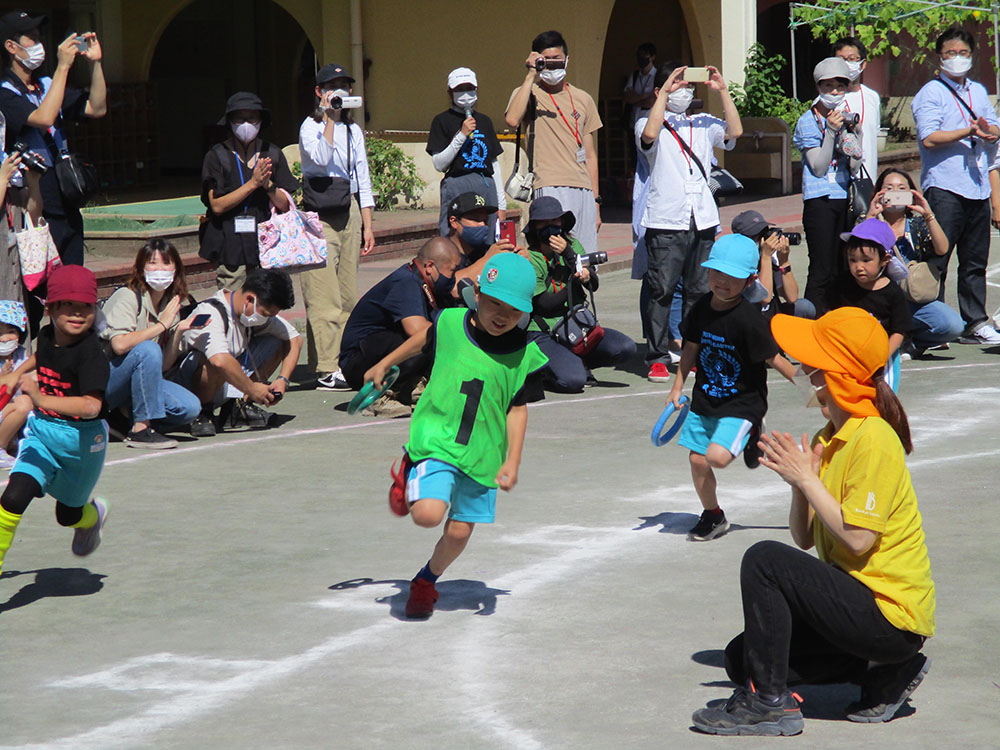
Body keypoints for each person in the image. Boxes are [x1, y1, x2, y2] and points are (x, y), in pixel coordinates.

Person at [692, 307, 934, 736]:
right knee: (742, 658)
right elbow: (804, 539)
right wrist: (798, 484)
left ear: (835, 374)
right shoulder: (829, 437)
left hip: (888, 616)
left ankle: (769, 705)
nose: (804, 369)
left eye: (813, 363)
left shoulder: (873, 438)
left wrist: (807, 477)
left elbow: (858, 540)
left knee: (764, 559)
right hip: (855, 610)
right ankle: (881, 673)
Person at [363, 253, 547, 619]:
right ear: (477, 293)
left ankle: (426, 581)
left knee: (460, 532)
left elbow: (517, 408)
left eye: (512, 309)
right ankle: (410, 470)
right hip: (439, 439)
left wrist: (512, 460)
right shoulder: (448, 322)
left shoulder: (525, 355)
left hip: (482, 455)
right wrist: (386, 363)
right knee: (429, 515)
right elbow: (422, 339)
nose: (501, 314)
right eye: (494, 302)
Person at [666, 234, 796, 542]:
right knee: (697, 460)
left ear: (750, 279)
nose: (722, 282)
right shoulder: (700, 309)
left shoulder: (748, 320)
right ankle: (713, 515)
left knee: (718, 458)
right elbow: (690, 350)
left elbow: (774, 358)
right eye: (716, 273)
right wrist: (677, 386)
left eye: (732, 276)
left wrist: (807, 384)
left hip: (743, 403)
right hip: (705, 400)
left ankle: (753, 431)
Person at [0, 265, 111, 575]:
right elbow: (42, 356)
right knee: (12, 497)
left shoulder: (92, 354)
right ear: (50, 309)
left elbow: (91, 406)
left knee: (68, 515)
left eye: (85, 307)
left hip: (83, 442)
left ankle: (93, 515)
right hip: (43, 433)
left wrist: (40, 398)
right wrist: (15, 375)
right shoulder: (48, 336)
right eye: (68, 305)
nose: (77, 314)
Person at [638, 60, 742, 382]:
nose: (684, 90)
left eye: (687, 85)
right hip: (666, 219)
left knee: (699, 290)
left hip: (703, 218)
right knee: (661, 289)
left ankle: (691, 353)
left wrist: (723, 91)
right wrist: (664, 93)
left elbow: (734, 132)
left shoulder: (703, 122)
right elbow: (650, 136)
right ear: (662, 90)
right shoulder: (647, 120)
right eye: (677, 84)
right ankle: (656, 355)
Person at [912, 26, 1000, 344]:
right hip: (945, 186)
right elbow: (929, 137)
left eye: (963, 53)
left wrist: (990, 131)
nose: (957, 58)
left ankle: (975, 320)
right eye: (951, 53)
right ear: (940, 57)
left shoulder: (977, 90)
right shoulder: (931, 93)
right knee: (938, 258)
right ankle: (933, 321)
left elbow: (992, 123)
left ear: (972, 56)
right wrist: (967, 132)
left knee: (975, 260)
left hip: (976, 185)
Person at [0, 11, 106, 269]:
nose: (39, 44)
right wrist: (63, 66)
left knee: (71, 282)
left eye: (39, 37)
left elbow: (97, 108)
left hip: (66, 200)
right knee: (40, 289)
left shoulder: (47, 84)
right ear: (11, 47)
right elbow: (44, 117)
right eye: (31, 38)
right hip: (32, 204)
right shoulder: (4, 91)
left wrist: (95, 64)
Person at [298, 63, 376, 392]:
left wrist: (368, 225)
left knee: (346, 296)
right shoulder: (309, 127)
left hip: (349, 211)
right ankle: (327, 368)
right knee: (322, 295)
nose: (340, 90)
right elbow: (318, 157)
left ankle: (340, 360)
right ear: (319, 92)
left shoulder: (354, 131)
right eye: (333, 85)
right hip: (319, 214)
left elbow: (363, 177)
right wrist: (329, 119)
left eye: (345, 84)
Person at [169, 269, 302, 438]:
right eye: (266, 314)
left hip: (223, 381)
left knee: (277, 341)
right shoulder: (210, 313)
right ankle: (202, 413)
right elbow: (220, 361)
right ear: (250, 299)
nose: (267, 319)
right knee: (213, 360)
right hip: (185, 386)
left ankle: (237, 406)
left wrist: (283, 380)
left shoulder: (251, 311)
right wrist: (253, 389)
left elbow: (295, 339)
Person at [338, 238, 461, 418]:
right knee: (429, 333)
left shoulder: (426, 284)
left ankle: (410, 386)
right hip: (359, 363)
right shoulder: (406, 281)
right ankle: (379, 395)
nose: (454, 277)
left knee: (439, 327)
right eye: (452, 270)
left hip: (379, 353)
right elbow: (420, 332)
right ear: (430, 267)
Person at [505, 30, 603, 254]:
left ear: (567, 59)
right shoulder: (528, 93)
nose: (552, 67)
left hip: (583, 189)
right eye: (545, 62)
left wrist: (596, 203)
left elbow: (590, 155)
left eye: (557, 60)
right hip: (548, 184)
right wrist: (530, 75)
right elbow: (512, 119)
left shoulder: (583, 99)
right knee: (554, 254)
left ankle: (582, 289)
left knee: (585, 258)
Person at [99, 239, 203, 449]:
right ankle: (141, 430)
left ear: (176, 269)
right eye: (153, 263)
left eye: (166, 263)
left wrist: (178, 331)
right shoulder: (128, 296)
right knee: (147, 348)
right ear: (141, 267)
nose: (160, 270)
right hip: (106, 380)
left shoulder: (171, 302)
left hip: (137, 383)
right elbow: (119, 345)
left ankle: (120, 419)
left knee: (190, 407)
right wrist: (161, 325)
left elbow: (162, 365)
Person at [525, 196, 636, 392]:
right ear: (534, 227)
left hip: (575, 326)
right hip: (545, 331)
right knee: (573, 381)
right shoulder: (532, 258)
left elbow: (593, 284)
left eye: (554, 221)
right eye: (543, 222)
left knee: (626, 348)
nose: (550, 227)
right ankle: (542, 370)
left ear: (562, 223)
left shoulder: (573, 246)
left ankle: (576, 358)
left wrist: (570, 256)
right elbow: (544, 304)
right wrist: (573, 283)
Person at [199, 91, 297, 292]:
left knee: (264, 306)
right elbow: (216, 206)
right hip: (231, 247)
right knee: (233, 306)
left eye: (252, 118)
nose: (246, 124)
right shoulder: (217, 156)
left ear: (261, 121)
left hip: (266, 246)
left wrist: (268, 185)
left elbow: (286, 205)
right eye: (239, 118)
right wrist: (253, 183)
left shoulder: (273, 154)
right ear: (230, 122)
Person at [866, 168, 964, 356]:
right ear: (879, 193)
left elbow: (942, 249)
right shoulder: (869, 220)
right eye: (889, 188)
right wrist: (871, 216)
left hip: (912, 298)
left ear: (910, 194)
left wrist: (927, 214)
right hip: (878, 298)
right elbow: (857, 249)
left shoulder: (918, 224)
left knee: (953, 325)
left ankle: (913, 342)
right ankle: (890, 338)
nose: (895, 193)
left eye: (901, 188)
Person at [795, 57, 863, 313]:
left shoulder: (845, 118)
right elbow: (819, 167)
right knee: (822, 269)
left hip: (844, 200)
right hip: (819, 201)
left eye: (840, 86)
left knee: (842, 267)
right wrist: (832, 132)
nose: (834, 92)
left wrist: (856, 134)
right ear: (818, 88)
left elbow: (855, 167)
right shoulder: (807, 121)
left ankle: (836, 321)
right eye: (828, 86)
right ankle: (811, 323)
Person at [827, 219, 911, 393]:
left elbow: (898, 331)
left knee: (882, 402)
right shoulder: (841, 285)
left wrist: (882, 358)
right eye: (853, 260)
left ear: (885, 259)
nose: (859, 267)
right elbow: (830, 317)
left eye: (866, 260)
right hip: (847, 355)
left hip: (882, 359)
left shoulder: (893, 293)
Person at [427, 67, 506, 238]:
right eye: (459, 89)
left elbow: (493, 163)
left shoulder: (484, 121)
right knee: (455, 234)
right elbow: (439, 164)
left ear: (476, 90)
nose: (465, 93)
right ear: (450, 93)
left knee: (487, 235)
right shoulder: (441, 121)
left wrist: (502, 204)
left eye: (468, 88)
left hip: (485, 183)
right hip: (457, 183)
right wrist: (461, 135)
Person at [731, 210, 814, 320]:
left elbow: (792, 297)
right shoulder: (737, 260)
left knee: (804, 307)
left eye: (765, 232)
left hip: (770, 312)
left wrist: (784, 262)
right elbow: (764, 298)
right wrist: (765, 257)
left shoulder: (769, 254)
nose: (765, 238)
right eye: (758, 235)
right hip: (749, 316)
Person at [443, 191, 517, 294]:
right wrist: (488, 259)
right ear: (454, 222)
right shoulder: (440, 251)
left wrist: (517, 261)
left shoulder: (484, 250)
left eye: (485, 220)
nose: (483, 225)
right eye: (476, 220)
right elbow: (452, 289)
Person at [833, 36, 881, 182]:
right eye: (841, 60)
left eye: (852, 59)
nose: (846, 64)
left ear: (862, 64)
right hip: (837, 180)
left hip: (867, 177)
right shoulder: (828, 99)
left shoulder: (872, 97)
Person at [0, 300, 31, 468]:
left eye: (11, 331)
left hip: (15, 420)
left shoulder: (22, 356)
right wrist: (3, 378)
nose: (4, 338)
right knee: (23, 403)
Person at [623, 42, 657, 128]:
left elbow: (652, 101)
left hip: (650, 123)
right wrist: (644, 96)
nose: (641, 58)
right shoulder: (634, 76)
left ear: (652, 57)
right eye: (639, 55)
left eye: (645, 55)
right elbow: (627, 97)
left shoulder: (658, 76)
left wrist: (636, 100)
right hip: (633, 122)